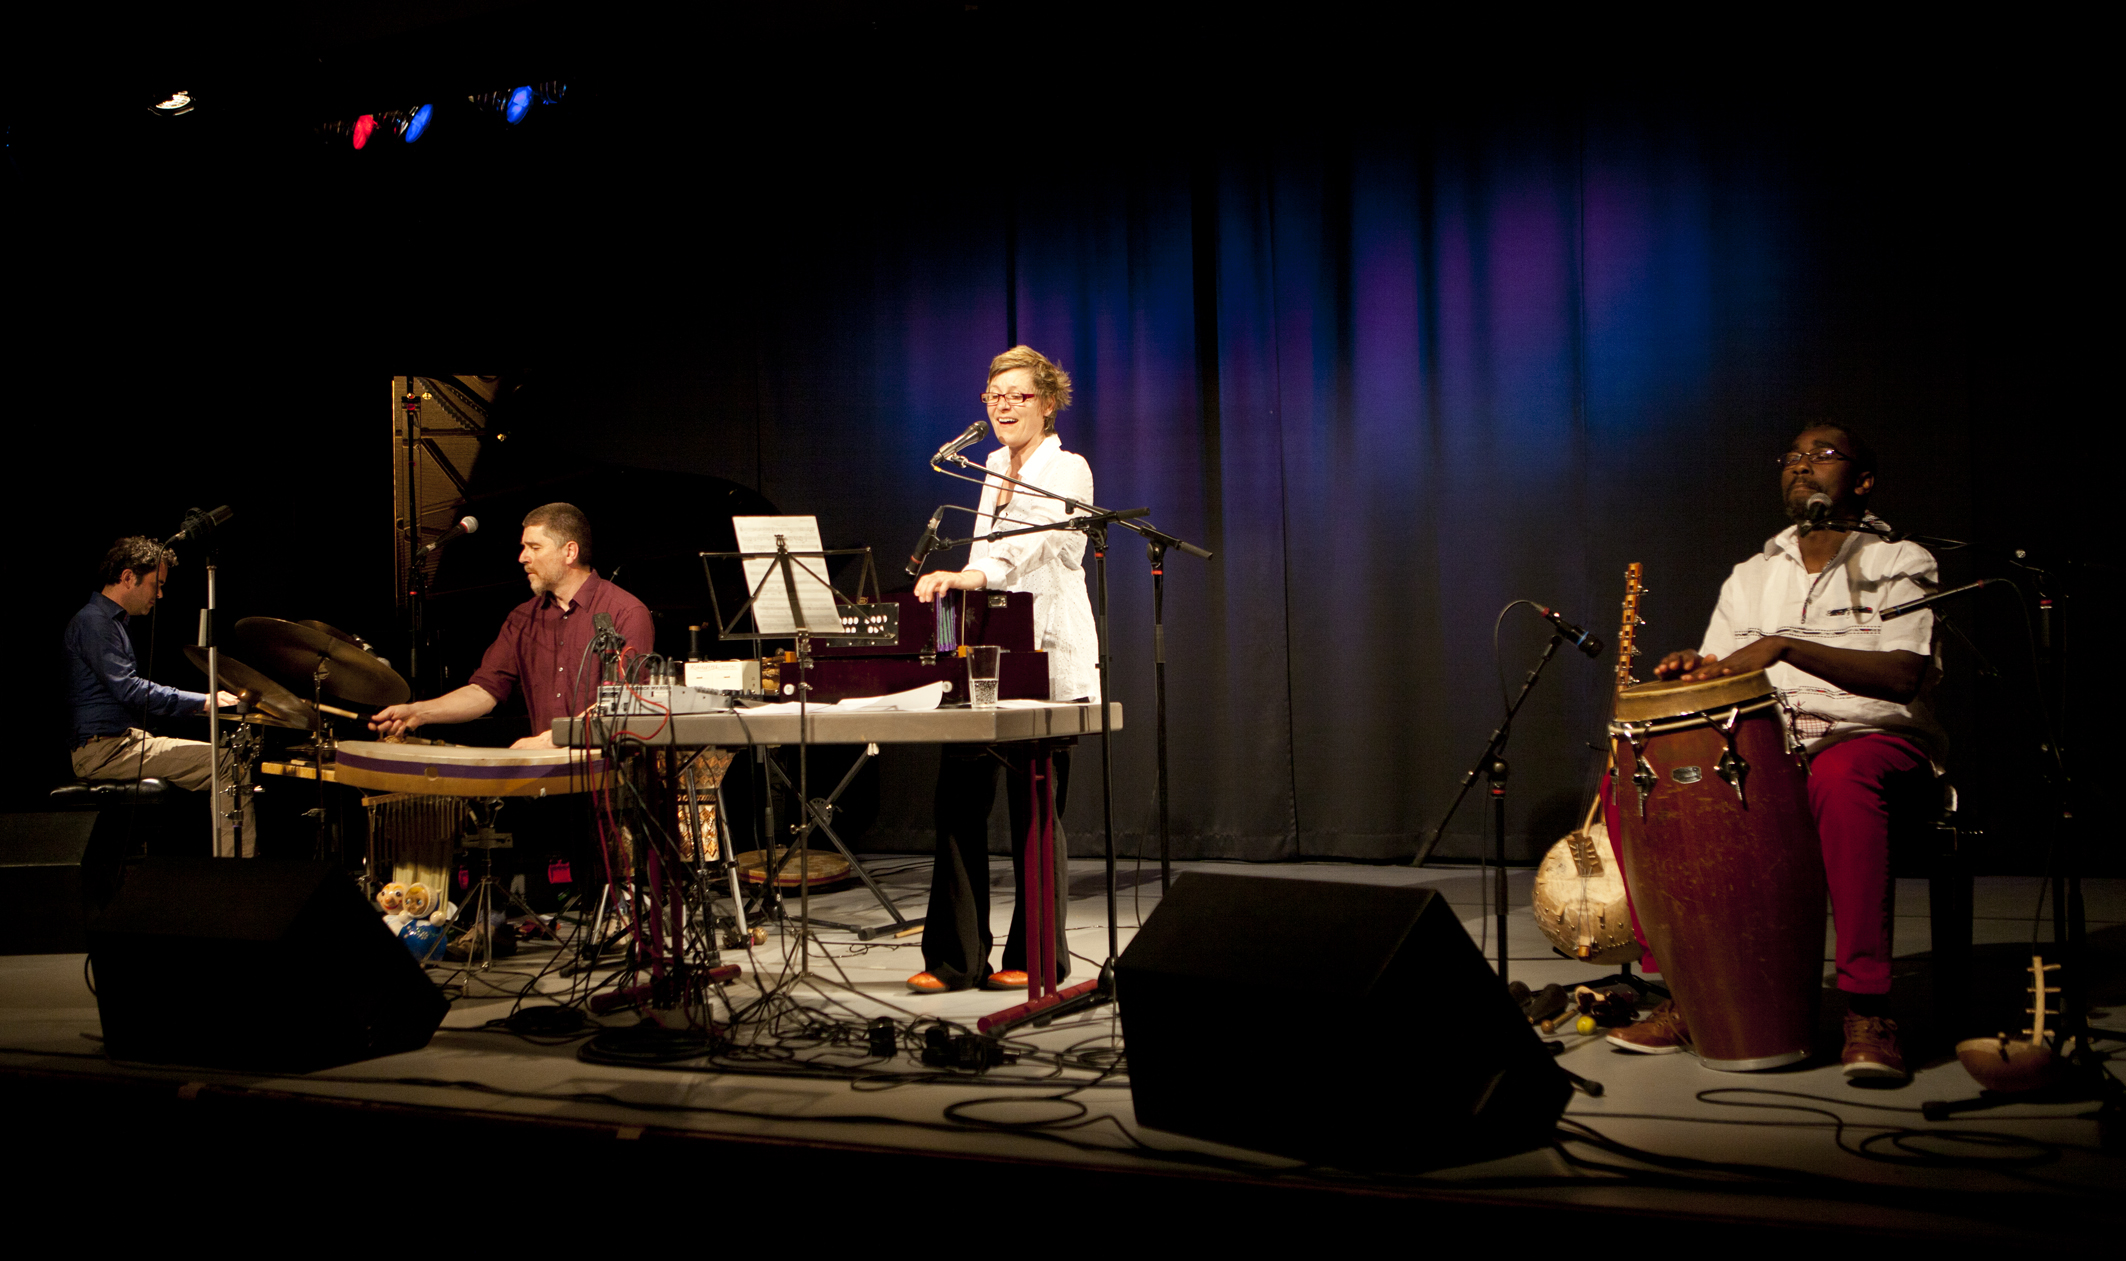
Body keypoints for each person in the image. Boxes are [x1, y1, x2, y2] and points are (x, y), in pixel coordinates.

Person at [1606, 423, 1944, 1080]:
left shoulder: (1900, 561)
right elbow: (1723, 672)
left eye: (1823, 454)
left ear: (1864, 481)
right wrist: (1696, 668)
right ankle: (1688, 992)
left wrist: (1786, 646)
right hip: (1773, 749)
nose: (1802, 464)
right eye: (1792, 455)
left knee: (1842, 776)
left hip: (1871, 740)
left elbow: (1905, 675)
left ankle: (1867, 1007)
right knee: (1635, 788)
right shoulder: (1752, 575)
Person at [904, 346, 1099, 993]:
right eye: (995, 396)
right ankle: (955, 957)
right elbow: (988, 550)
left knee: (1034, 809)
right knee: (958, 797)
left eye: (1018, 395)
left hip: (1047, 651)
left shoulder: (1068, 469)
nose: (1004, 406)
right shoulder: (988, 465)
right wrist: (962, 585)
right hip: (987, 650)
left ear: (1048, 402)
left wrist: (972, 574)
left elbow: (1033, 542)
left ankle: (1038, 956)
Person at [369, 503, 654, 746]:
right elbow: (484, 691)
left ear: (570, 552)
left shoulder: (626, 612)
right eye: (523, 548)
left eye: (534, 547)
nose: (523, 557)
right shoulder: (523, 618)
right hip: (547, 778)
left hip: (610, 780)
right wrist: (419, 712)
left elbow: (625, 702)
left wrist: (551, 740)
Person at [66, 536, 251, 856]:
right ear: (128, 577)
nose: (160, 595)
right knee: (227, 763)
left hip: (121, 741)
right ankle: (236, 870)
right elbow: (129, 689)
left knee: (221, 756)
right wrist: (203, 701)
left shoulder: (109, 622)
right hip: (105, 752)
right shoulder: (94, 622)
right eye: (157, 585)